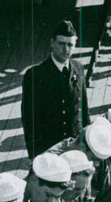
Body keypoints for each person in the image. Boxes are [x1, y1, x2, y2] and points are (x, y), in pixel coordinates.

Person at [21, 20, 89, 158]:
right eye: (61, 43)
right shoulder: (35, 75)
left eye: (70, 45)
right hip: (49, 148)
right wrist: (35, 155)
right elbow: (29, 119)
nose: (66, 49)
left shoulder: (78, 68)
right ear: (52, 43)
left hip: (76, 146)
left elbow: (84, 109)